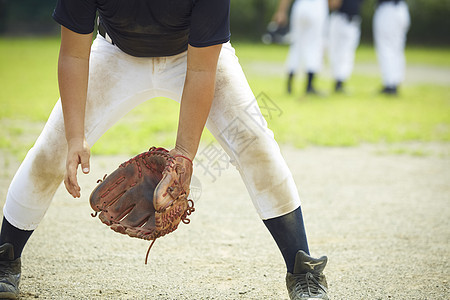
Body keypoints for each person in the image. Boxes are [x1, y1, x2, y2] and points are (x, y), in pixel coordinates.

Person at [0, 1, 329, 299]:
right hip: (115, 53)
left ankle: (303, 271)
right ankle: (6, 259)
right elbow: (73, 53)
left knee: (255, 143)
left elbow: (201, 69)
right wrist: (74, 138)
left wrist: (183, 155)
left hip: (193, 55)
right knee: (51, 150)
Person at [273, 0, 329, 96]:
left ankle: (290, 84)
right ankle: (309, 86)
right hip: (317, 6)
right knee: (314, 45)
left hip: (300, 6)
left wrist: (281, 11)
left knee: (296, 44)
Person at [373, 0, 410, 95]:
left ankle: (390, 84)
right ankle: (395, 81)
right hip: (400, 9)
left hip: (388, 10)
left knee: (386, 48)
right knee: (396, 48)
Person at [328, 0, 365, 93]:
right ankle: (338, 81)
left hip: (352, 21)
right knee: (337, 52)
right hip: (340, 19)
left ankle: (340, 81)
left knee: (346, 53)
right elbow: (334, 4)